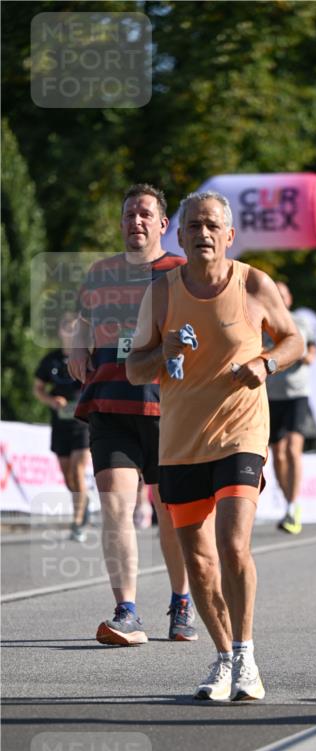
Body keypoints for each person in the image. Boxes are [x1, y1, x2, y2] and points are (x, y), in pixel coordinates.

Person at [127, 191, 303, 702]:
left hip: (241, 434)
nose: (202, 234)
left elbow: (294, 340)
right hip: (181, 442)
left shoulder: (253, 283)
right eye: (193, 226)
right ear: (178, 237)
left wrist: (266, 364)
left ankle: (246, 655)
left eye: (212, 226)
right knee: (200, 565)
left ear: (228, 236)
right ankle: (224, 656)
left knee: (232, 542)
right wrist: (165, 350)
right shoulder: (160, 294)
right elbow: (136, 367)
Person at [68, 183, 198, 645]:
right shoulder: (100, 273)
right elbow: (75, 321)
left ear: (163, 224)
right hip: (110, 406)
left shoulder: (182, 272)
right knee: (116, 508)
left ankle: (182, 601)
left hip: (168, 410)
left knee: (170, 512)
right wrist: (75, 347)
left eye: (144, 214)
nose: (135, 222)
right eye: (128, 215)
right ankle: (126, 610)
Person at [262, 282, 316, 534]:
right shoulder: (263, 322)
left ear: (290, 298)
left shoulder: (301, 322)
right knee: (278, 454)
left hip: (297, 393)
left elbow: (312, 351)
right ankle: (288, 504)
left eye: (283, 295)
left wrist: (302, 354)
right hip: (273, 395)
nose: (279, 299)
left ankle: (293, 505)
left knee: (293, 449)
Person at [33, 311, 91, 541]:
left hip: (82, 423)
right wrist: (51, 400)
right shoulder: (51, 360)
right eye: (67, 326)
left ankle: (77, 522)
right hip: (60, 424)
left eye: (74, 327)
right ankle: (83, 502)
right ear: (60, 331)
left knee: (78, 470)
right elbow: (37, 388)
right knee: (68, 476)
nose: (70, 331)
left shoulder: (86, 356)